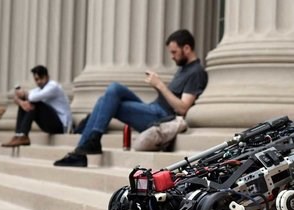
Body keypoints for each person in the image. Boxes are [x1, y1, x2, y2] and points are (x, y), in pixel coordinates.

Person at [54, 29, 208, 167]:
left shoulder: (196, 72)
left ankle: (83, 150)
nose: (172, 57)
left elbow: (183, 108)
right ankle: (90, 141)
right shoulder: (183, 69)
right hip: (153, 109)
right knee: (113, 89)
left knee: (107, 102)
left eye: (174, 52)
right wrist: (157, 86)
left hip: (162, 118)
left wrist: (160, 85)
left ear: (187, 48)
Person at [2, 65, 72, 147]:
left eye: (41, 78)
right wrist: (21, 102)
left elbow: (32, 98)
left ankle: (23, 135)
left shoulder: (53, 86)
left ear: (47, 77)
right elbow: (18, 98)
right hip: (50, 124)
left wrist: (23, 95)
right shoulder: (39, 89)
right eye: (36, 79)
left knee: (34, 102)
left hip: (61, 125)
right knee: (26, 101)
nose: (39, 82)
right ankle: (19, 135)